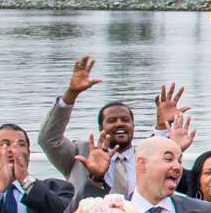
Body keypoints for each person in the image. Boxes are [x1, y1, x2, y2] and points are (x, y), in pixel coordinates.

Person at [38, 56, 140, 200]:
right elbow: (48, 139)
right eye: (111, 120)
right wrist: (71, 94)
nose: (119, 124)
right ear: (100, 128)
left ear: (133, 126)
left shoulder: (146, 155)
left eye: (125, 120)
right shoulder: (80, 154)